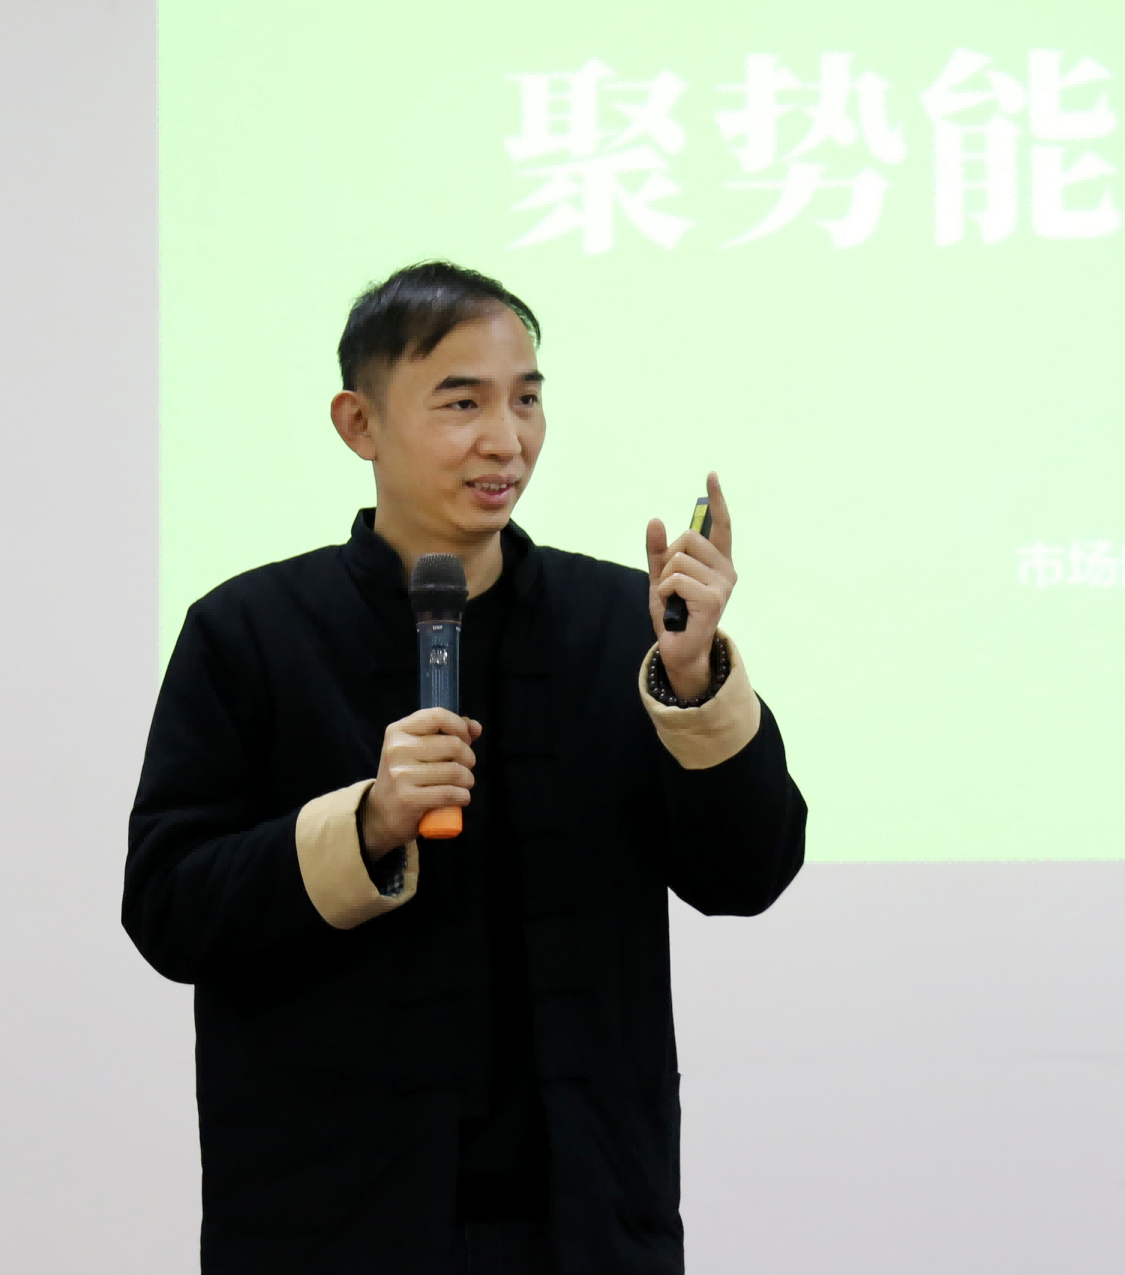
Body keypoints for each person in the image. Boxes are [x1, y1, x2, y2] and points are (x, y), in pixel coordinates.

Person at [123, 261, 807, 1274]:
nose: (506, 438)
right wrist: (365, 824)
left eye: (526, 399)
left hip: (587, 1220)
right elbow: (168, 908)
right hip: (327, 1224)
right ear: (359, 423)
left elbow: (746, 874)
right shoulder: (251, 633)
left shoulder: (621, 627)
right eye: (462, 403)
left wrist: (696, 679)